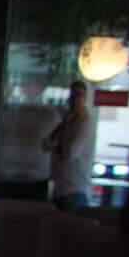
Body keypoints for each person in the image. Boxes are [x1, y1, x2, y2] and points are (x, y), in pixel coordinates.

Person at [47, 75, 95, 210]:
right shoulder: (67, 121)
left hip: (74, 190)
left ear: (85, 99)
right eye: (73, 96)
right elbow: (46, 144)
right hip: (60, 188)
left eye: (79, 96)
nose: (75, 100)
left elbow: (69, 153)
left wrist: (56, 146)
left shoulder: (85, 122)